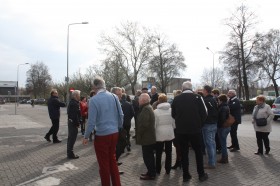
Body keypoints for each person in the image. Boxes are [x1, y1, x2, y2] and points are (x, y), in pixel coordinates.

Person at [83, 78, 123, 186]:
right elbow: (121, 115)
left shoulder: (93, 100)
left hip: (102, 135)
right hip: (114, 133)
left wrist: (86, 136)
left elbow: (91, 122)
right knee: (113, 161)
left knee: (103, 165)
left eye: (93, 87)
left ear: (95, 87)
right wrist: (118, 127)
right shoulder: (114, 97)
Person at [171, 81, 208, 182]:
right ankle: (201, 174)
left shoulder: (176, 99)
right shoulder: (198, 97)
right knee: (198, 152)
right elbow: (204, 113)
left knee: (184, 152)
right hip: (195, 130)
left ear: (182, 88)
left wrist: (180, 122)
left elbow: (173, 114)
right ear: (191, 88)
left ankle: (186, 175)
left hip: (181, 130)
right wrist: (199, 124)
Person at [136, 93, 156, 180]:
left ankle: (151, 174)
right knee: (149, 156)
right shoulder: (147, 107)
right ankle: (150, 172)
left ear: (143, 100)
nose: (138, 101)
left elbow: (144, 124)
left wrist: (139, 133)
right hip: (148, 137)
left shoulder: (146, 109)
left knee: (148, 157)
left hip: (147, 137)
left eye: (139, 99)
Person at [154, 94, 175, 175]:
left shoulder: (155, 111)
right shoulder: (171, 110)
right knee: (169, 152)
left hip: (159, 133)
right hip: (169, 132)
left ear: (159, 101)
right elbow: (174, 123)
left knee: (158, 152)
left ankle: (158, 169)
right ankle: (168, 169)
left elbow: (154, 125)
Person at [202, 85, 218, 169]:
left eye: (203, 90)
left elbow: (204, 114)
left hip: (207, 124)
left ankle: (211, 163)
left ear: (205, 91)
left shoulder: (205, 100)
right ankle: (213, 161)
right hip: (214, 124)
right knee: (212, 143)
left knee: (209, 144)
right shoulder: (213, 99)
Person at [67, 90, 82, 159]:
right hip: (73, 123)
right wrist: (77, 123)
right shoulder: (74, 104)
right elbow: (74, 115)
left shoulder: (74, 102)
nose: (80, 96)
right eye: (79, 95)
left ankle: (69, 153)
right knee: (72, 138)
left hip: (72, 122)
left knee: (71, 138)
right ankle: (70, 154)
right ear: (75, 96)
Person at [217, 94, 231, 164]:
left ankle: (224, 158)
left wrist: (218, 125)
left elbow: (222, 118)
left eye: (218, 100)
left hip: (222, 127)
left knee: (223, 144)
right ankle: (225, 157)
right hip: (227, 127)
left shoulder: (222, 107)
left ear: (221, 100)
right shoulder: (226, 106)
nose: (218, 101)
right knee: (223, 143)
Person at [171, 90, 182, 170]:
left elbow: (173, 115)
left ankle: (178, 162)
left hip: (177, 127)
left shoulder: (175, 103)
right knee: (179, 147)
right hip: (182, 127)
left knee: (178, 146)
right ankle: (179, 162)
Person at [212, 89, 222, 154]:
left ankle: (219, 148)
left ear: (215, 94)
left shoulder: (216, 99)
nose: (212, 94)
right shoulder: (216, 99)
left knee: (217, 135)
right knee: (216, 135)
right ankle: (218, 147)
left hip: (217, 120)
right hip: (216, 119)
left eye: (213, 93)